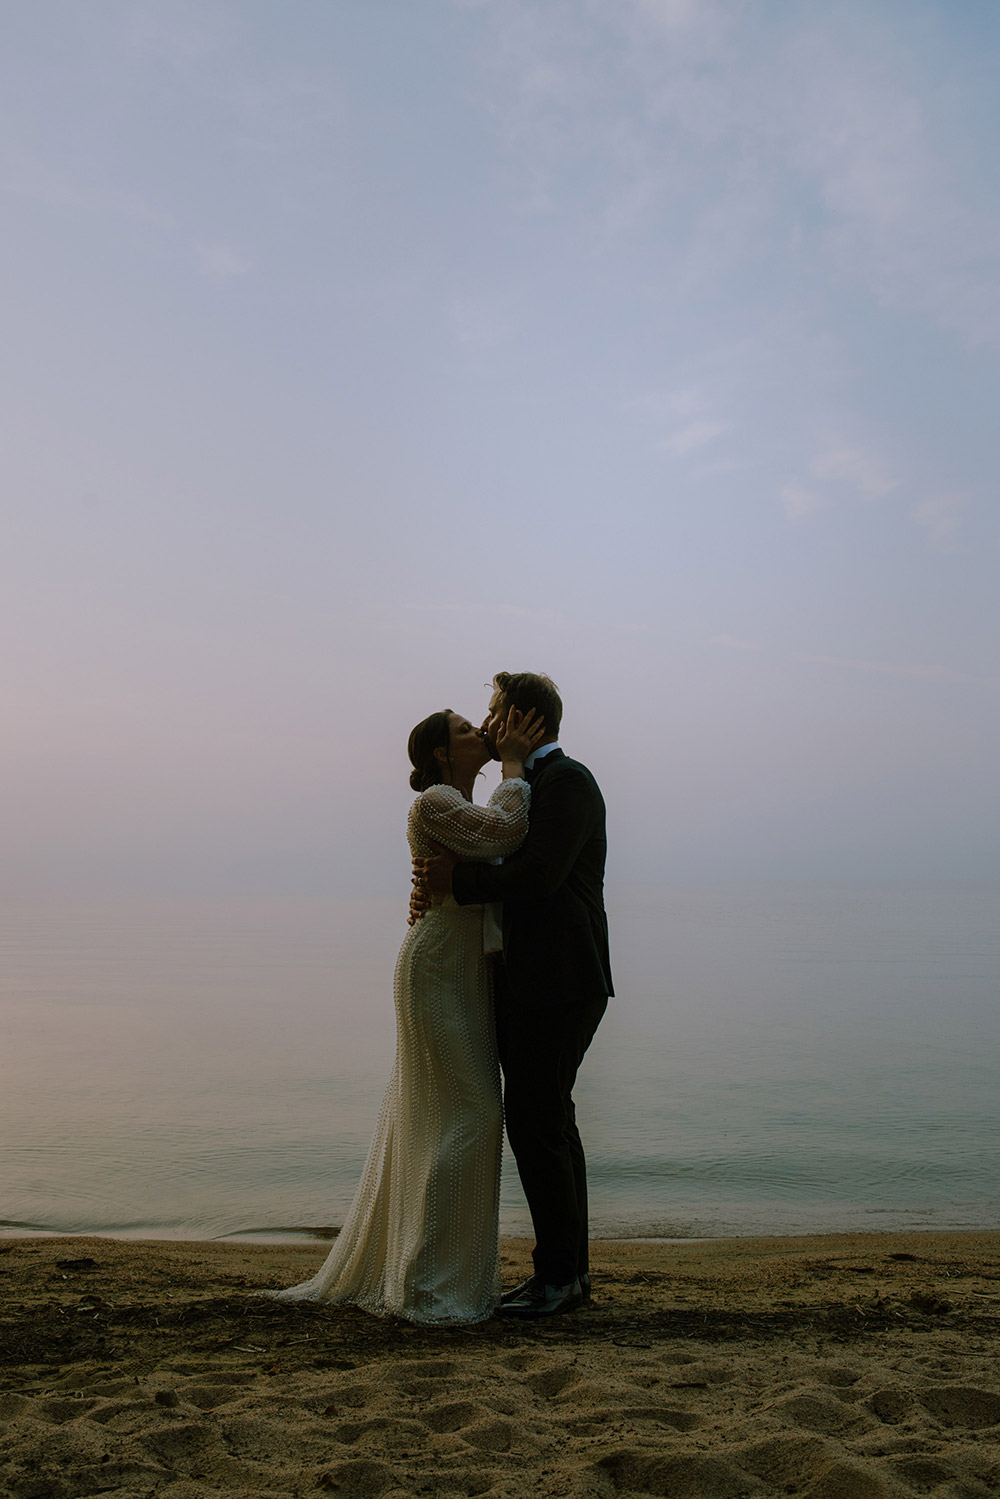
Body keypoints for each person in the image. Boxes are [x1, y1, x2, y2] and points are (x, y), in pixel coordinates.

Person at [272, 703, 545, 1324]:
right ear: (443, 755)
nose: (479, 729)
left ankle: (437, 1273)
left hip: (464, 971)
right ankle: (427, 1283)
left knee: (452, 1112)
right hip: (436, 969)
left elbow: (493, 849)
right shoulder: (435, 805)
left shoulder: (461, 808)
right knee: (474, 1111)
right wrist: (512, 765)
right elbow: (504, 833)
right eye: (464, 729)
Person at [415, 672, 612, 1319]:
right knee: (549, 1120)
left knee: (536, 1123)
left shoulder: (568, 781)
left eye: (495, 710)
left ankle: (559, 1279)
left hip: (561, 980)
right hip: (530, 981)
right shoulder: (531, 784)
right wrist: (440, 886)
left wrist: (458, 879)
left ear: (524, 719)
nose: (487, 719)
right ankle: (567, 1275)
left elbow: (538, 873)